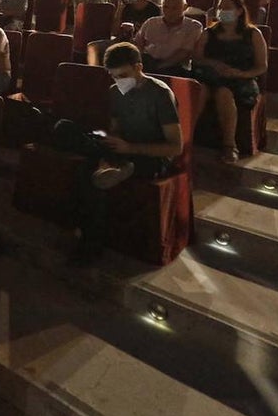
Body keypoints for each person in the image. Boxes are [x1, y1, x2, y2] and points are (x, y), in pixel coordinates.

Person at [49, 42, 183, 265]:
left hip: (151, 154)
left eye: (123, 75)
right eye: (113, 76)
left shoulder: (160, 94)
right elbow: (116, 129)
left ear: (138, 67)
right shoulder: (115, 91)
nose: (119, 81)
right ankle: (115, 165)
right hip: (123, 147)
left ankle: (90, 243)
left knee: (88, 174)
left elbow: (175, 147)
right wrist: (110, 143)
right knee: (64, 128)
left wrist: (130, 149)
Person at [191, 0, 269, 164]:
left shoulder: (253, 34)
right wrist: (214, 64)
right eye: (220, 8)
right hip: (212, 77)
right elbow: (196, 58)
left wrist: (239, 73)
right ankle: (187, 137)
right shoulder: (209, 33)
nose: (222, 11)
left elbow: (261, 66)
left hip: (241, 80)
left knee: (223, 93)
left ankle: (229, 145)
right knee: (200, 90)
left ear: (239, 11)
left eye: (227, 8)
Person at [133, 0, 203, 77]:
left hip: (175, 67)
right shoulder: (151, 22)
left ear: (184, 7)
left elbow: (184, 52)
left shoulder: (193, 26)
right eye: (165, 7)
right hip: (148, 63)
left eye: (175, 8)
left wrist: (159, 67)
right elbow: (138, 44)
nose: (170, 11)